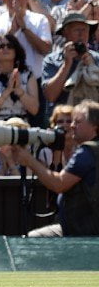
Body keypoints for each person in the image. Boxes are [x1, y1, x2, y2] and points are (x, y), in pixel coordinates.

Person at [7, 99, 99, 237]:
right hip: (80, 225)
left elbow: (59, 184)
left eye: (78, 122)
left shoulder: (87, 152)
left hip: (82, 231)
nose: (72, 126)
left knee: (33, 240)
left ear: (95, 126)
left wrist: (29, 160)